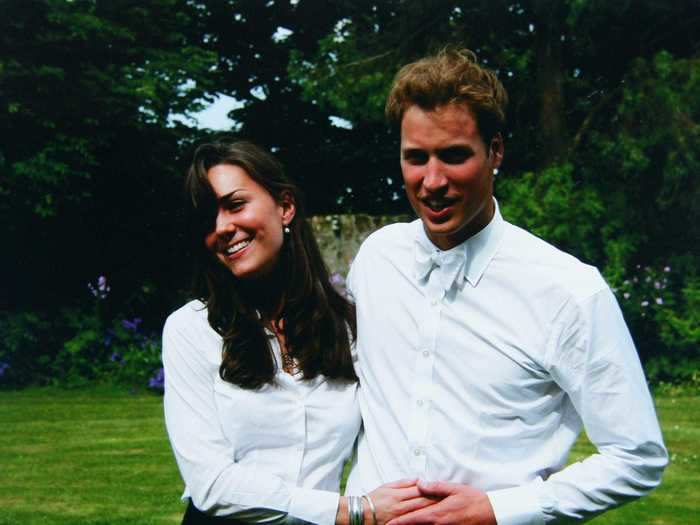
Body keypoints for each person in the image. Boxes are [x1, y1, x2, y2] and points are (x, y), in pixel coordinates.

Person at [345, 48, 668, 525]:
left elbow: (637, 456)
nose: (431, 181)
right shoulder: (376, 258)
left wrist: (499, 510)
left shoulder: (568, 291)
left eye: (454, 156)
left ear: (495, 150)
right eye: (416, 158)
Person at [163, 140, 434, 525]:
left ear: (285, 207)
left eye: (235, 205)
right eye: (208, 219)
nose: (222, 227)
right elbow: (211, 484)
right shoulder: (192, 330)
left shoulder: (348, 329)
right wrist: (351, 512)